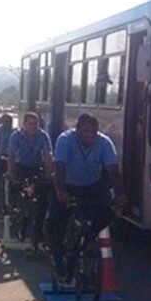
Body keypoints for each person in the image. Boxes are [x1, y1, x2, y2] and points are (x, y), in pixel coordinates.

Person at [48, 113, 126, 279]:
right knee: (56, 224)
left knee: (107, 210)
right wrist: (61, 191)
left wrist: (120, 194)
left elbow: (113, 170)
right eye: (85, 131)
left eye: (93, 131)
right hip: (68, 184)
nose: (89, 135)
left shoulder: (104, 143)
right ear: (77, 130)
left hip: (92, 185)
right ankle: (57, 257)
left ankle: (89, 237)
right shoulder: (65, 140)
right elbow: (59, 167)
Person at [7, 112, 53, 243]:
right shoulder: (16, 136)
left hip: (36, 166)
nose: (34, 127)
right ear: (24, 124)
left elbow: (48, 154)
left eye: (36, 124)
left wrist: (49, 172)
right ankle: (12, 209)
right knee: (15, 186)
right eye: (31, 124)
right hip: (21, 165)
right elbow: (11, 156)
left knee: (43, 195)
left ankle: (39, 229)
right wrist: (11, 172)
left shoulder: (43, 135)